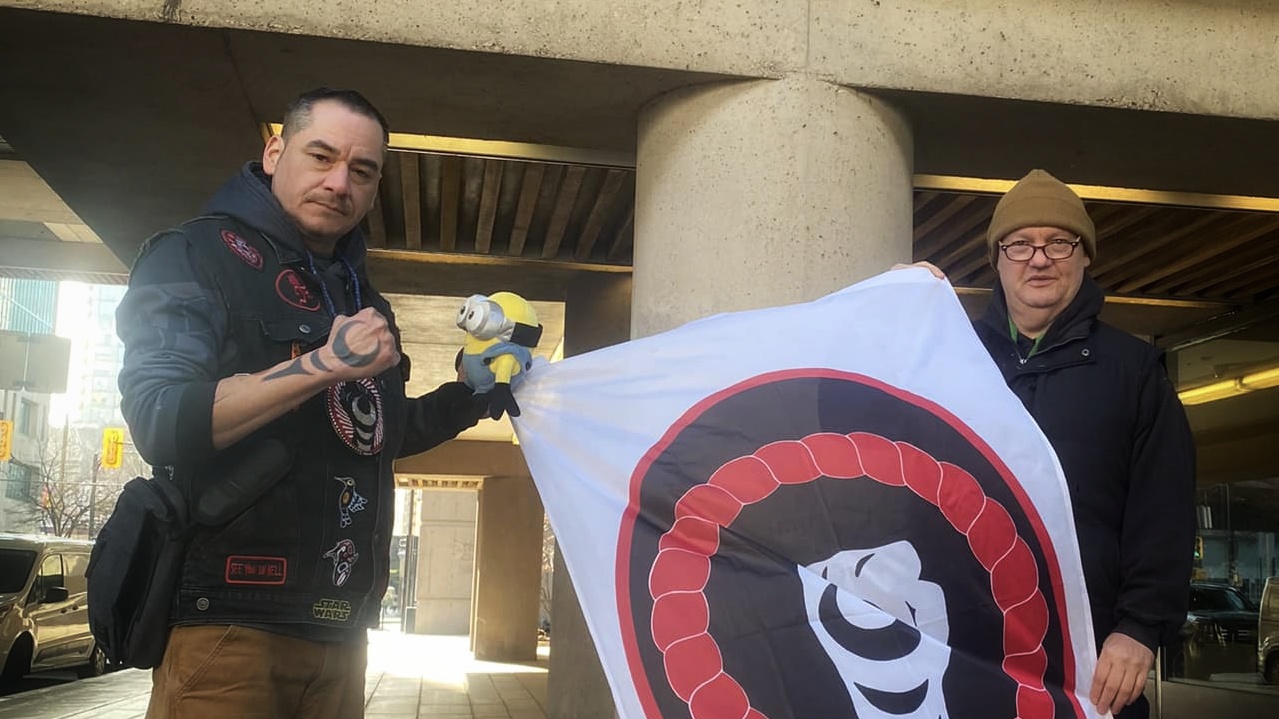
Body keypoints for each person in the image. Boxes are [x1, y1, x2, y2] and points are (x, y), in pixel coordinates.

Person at [116, 88, 491, 719]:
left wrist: (472, 396)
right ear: (273, 152)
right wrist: (325, 363)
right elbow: (162, 418)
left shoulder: (357, 293)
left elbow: (375, 434)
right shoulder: (194, 255)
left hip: (342, 631)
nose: (339, 181)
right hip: (229, 626)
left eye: (362, 171)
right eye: (321, 156)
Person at [909, 169, 1195, 718]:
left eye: (1058, 243)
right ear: (997, 259)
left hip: (1088, 666)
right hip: (965, 654)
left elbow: (1164, 514)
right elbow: (855, 433)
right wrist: (894, 315)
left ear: (1085, 256)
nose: (1038, 259)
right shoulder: (949, 360)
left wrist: (1139, 628)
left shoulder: (1134, 372)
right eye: (1019, 245)